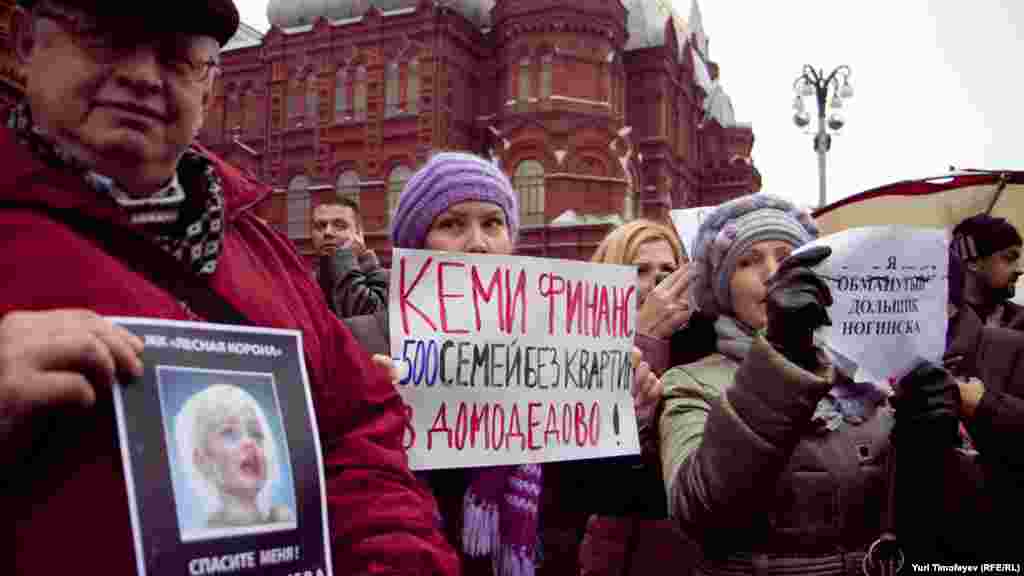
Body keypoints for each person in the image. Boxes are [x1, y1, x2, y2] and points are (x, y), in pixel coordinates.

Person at [0, 1, 457, 573]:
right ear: (24, 44)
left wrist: (396, 560)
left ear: (210, 86)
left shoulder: (261, 251)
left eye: (176, 56)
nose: (143, 75)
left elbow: (359, 433)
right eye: (105, 35)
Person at [345, 151, 663, 576]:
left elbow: (614, 497)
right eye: (452, 224)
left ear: (511, 241)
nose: (478, 242)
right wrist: (379, 419)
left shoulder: (557, 348)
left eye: (492, 224)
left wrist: (628, 420)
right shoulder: (360, 341)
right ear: (414, 243)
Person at [657, 194, 982, 574]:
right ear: (723, 289)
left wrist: (929, 443)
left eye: (787, 256)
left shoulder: (871, 373)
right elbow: (697, 509)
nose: (772, 272)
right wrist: (781, 355)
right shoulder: (690, 381)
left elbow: (952, 517)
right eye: (748, 261)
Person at [573, 219, 712, 576]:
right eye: (640, 270)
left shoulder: (703, 349)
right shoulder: (577, 351)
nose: (658, 281)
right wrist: (642, 339)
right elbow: (591, 486)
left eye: (669, 270)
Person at [175, 383, 294, 532]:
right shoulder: (206, 535)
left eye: (256, 434)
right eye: (229, 434)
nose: (250, 442)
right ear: (202, 462)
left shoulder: (281, 520)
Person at [312, 198, 389, 319]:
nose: (327, 232)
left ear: (359, 233)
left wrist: (345, 257)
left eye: (339, 225)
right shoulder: (306, 283)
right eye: (320, 226)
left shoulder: (389, 281)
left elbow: (365, 321)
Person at [950, 213, 1024, 330]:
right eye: (1009, 258)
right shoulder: (938, 322)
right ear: (973, 262)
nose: (1019, 270)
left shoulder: (1020, 320)